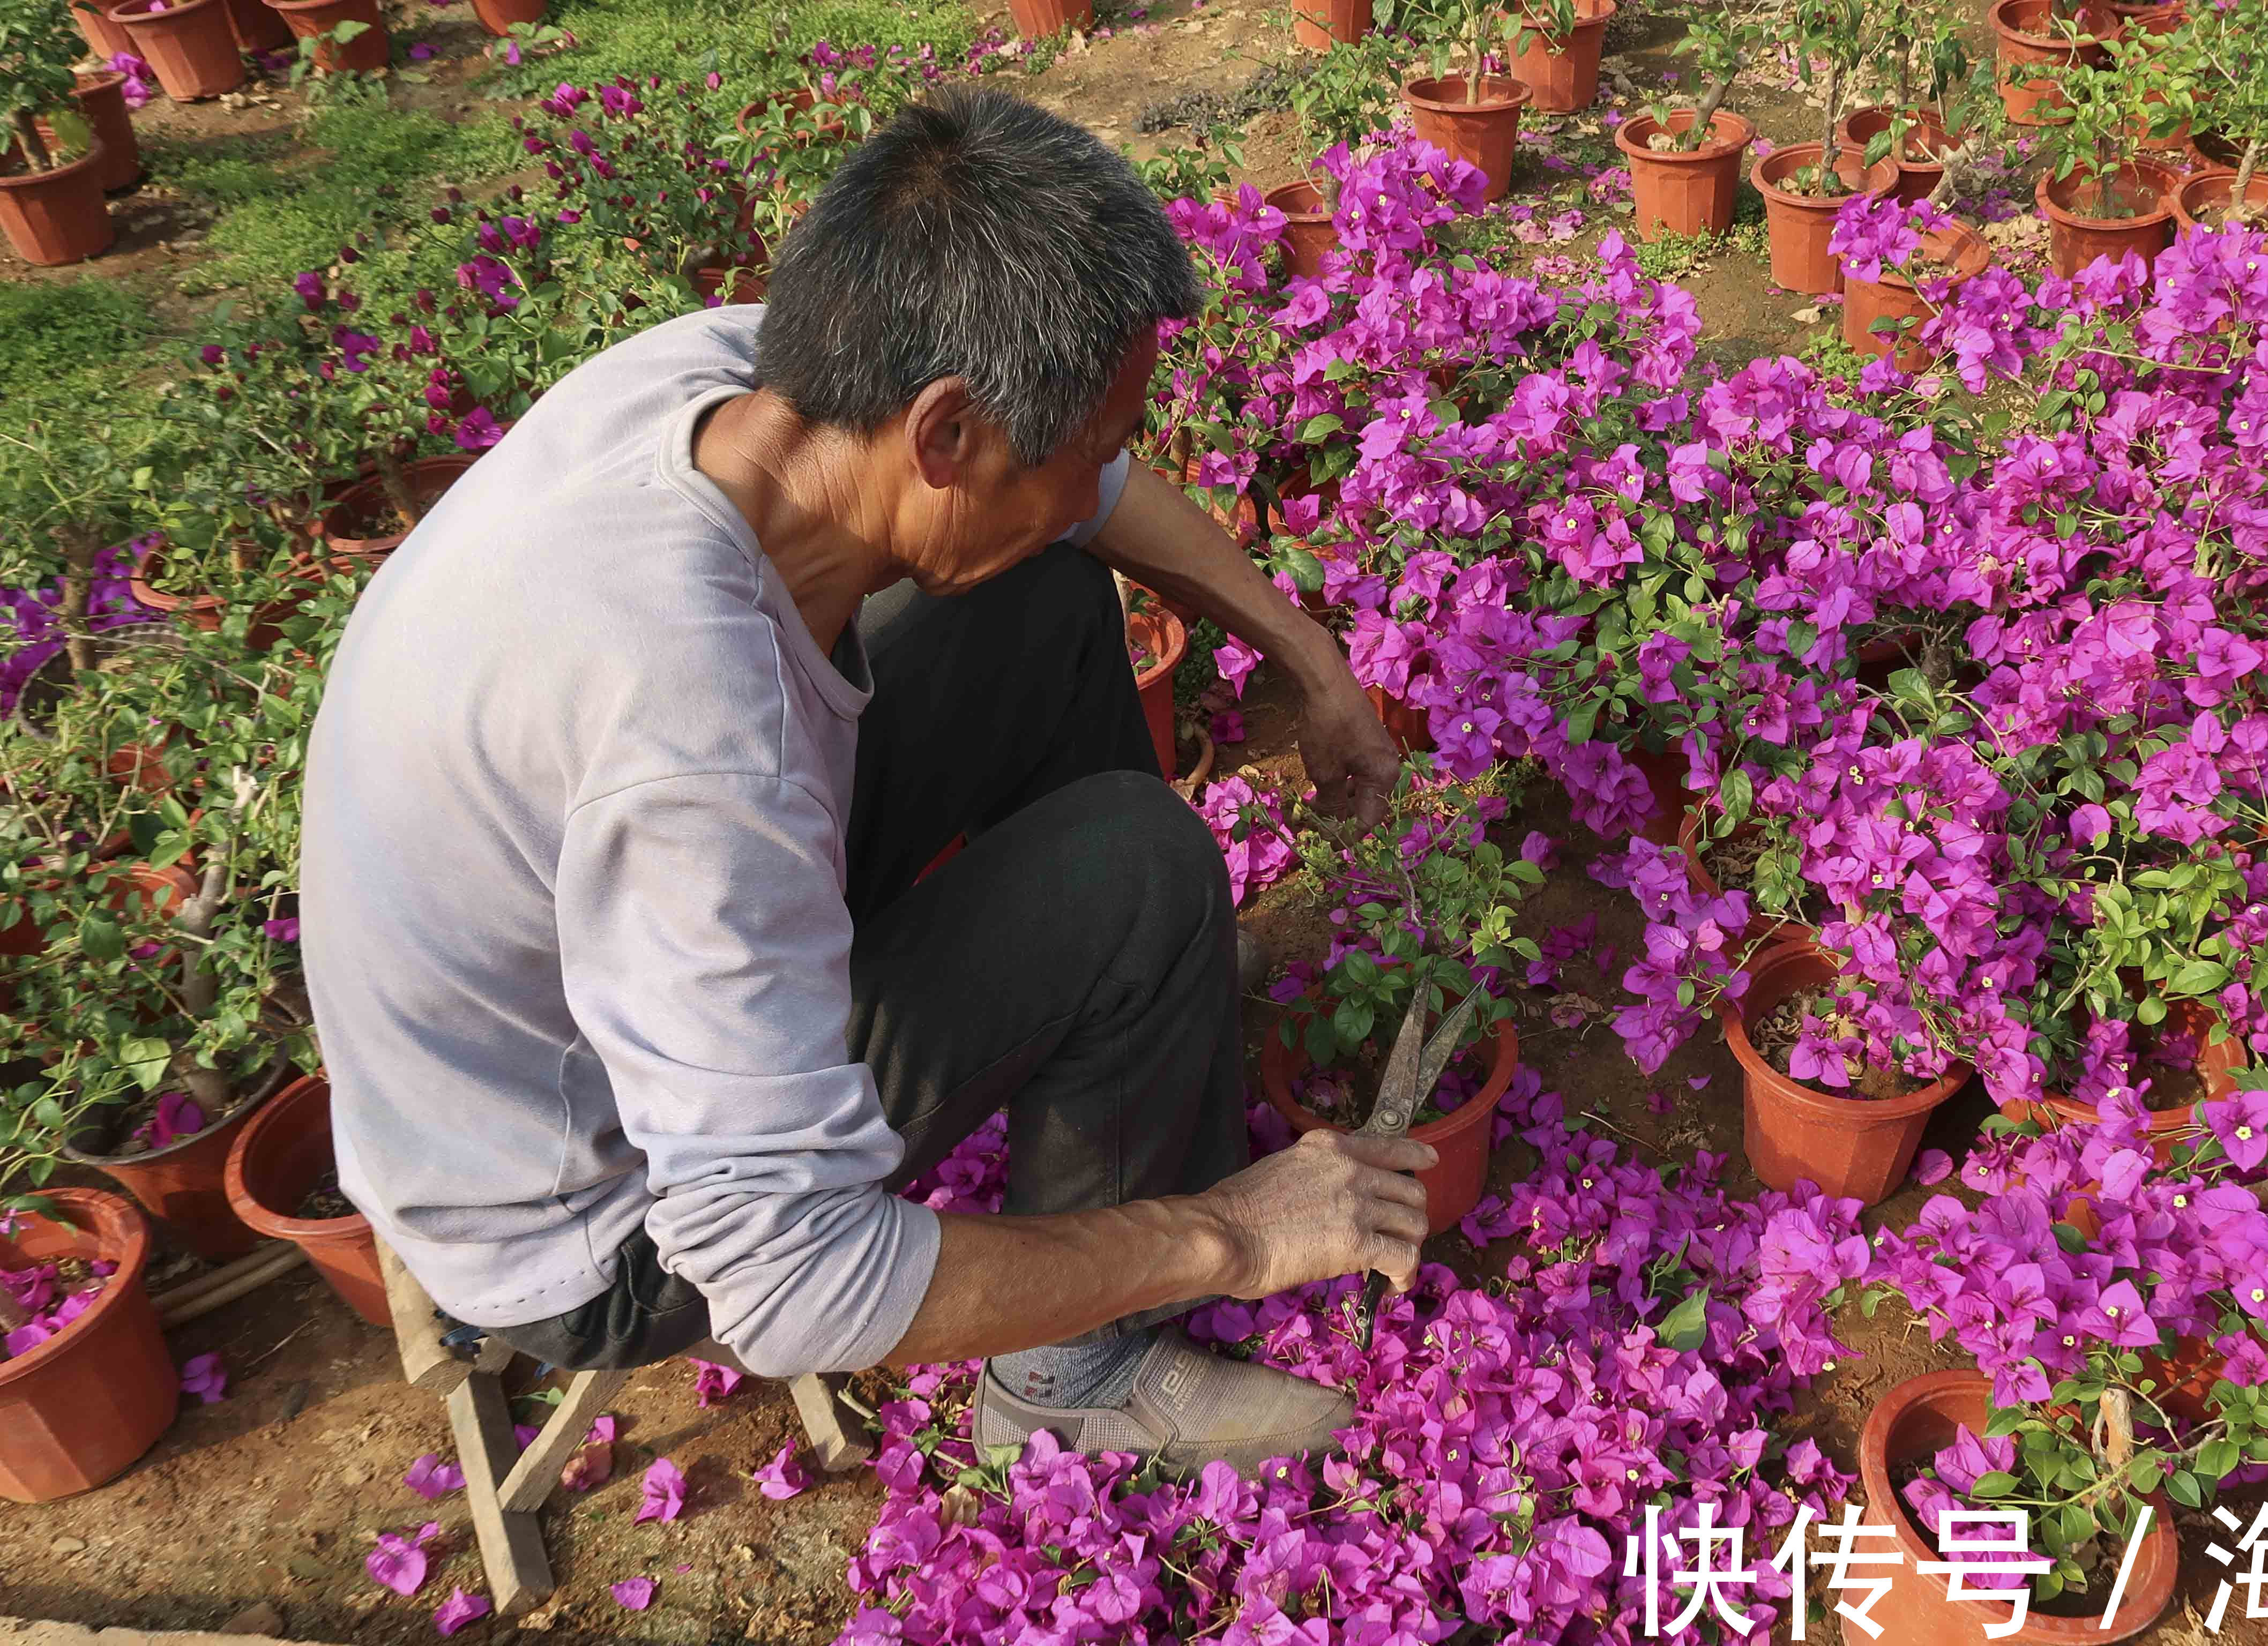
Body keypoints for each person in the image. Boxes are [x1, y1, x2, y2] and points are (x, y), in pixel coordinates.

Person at [300, 86, 1425, 1471]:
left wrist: (1314, 661)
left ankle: (1119, 1030)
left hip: (583, 983)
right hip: (602, 1217)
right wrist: (1237, 1234)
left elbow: (1092, 498)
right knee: (1145, 872)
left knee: (1044, 595)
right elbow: (785, 1277)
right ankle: (1070, 1378)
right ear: (945, 436)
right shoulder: (696, 736)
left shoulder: (741, 385)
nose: (1094, 477)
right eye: (1080, 443)